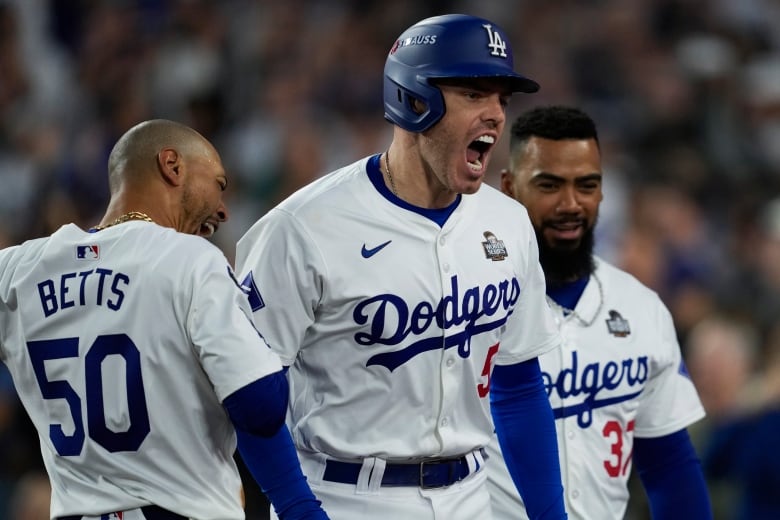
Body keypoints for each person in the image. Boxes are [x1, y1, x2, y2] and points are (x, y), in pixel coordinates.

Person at [234, 13, 567, 520]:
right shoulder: (304, 227)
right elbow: (248, 397)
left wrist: (550, 515)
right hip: (345, 497)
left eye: (503, 98)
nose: (497, 115)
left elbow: (518, 386)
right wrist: (299, 510)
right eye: (476, 93)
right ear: (414, 99)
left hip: (472, 497)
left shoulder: (509, 222)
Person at [0, 119, 326, 520]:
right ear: (172, 165)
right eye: (219, 184)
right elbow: (261, 405)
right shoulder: (189, 261)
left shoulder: (17, 270)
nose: (223, 210)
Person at [487, 105, 713, 519]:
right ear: (510, 186)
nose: (571, 204)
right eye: (549, 185)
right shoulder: (472, 306)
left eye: (587, 185)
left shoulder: (641, 307)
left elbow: (667, 465)